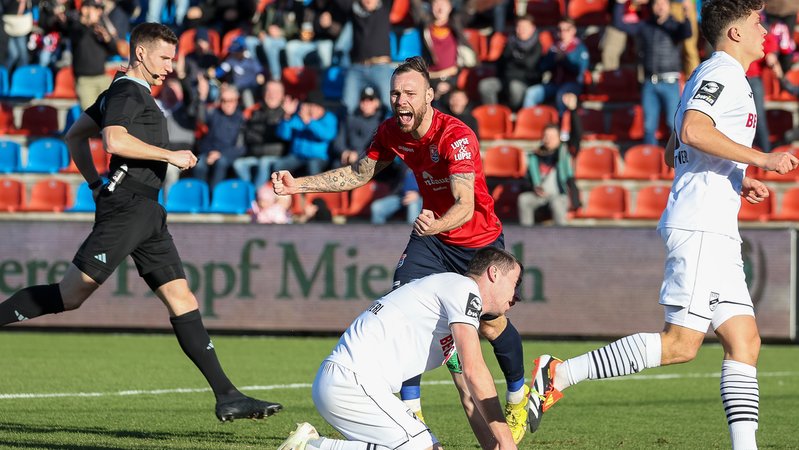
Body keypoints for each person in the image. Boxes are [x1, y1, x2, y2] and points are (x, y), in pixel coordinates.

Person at [528, 3, 799, 449]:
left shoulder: (717, 74)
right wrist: (762, 159)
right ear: (733, 32)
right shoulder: (723, 74)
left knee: (745, 341)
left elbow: (677, 141)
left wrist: (737, 176)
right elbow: (692, 130)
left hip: (717, 226)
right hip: (701, 226)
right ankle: (559, 372)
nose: (765, 30)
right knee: (680, 344)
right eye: (756, 22)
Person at [0, 22, 283, 422]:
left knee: (183, 299)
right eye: (164, 57)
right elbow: (113, 140)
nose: (171, 65)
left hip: (147, 210)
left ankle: (227, 396)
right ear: (140, 54)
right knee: (70, 295)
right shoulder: (126, 91)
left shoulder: (129, 93)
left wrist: (97, 184)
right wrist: (170, 156)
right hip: (130, 206)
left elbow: (75, 137)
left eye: (173, 57)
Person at [273, 56, 529, 444]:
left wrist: (436, 224)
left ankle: (518, 397)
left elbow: (464, 204)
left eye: (409, 92)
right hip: (434, 238)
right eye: (395, 93)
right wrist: (299, 186)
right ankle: (410, 407)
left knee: (489, 325)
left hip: (476, 241)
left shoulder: (455, 136)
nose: (400, 100)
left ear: (430, 95)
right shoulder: (392, 131)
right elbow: (359, 173)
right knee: (401, 304)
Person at [278, 247, 522, 450]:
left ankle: (313, 446)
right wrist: (507, 440)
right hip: (354, 382)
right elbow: (474, 371)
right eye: (515, 283)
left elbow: (469, 395)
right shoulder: (464, 289)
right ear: (493, 273)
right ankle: (311, 447)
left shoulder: (453, 311)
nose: (515, 297)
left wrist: (494, 445)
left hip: (344, 382)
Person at [612, 0, 692, 146]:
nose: (660, 7)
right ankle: (651, 158)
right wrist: (619, 3)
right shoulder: (645, 26)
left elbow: (687, 32)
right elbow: (619, 24)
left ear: (669, 6)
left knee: (673, 124)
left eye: (664, 3)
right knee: (649, 125)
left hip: (671, 82)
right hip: (650, 82)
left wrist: (687, 13)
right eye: (657, 4)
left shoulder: (675, 26)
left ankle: (675, 160)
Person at [517, 93, 581, 226]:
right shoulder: (535, 156)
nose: (548, 139)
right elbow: (525, 182)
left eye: (552, 136)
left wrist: (573, 110)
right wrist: (533, 188)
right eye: (546, 136)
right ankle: (526, 235)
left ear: (559, 138)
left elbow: (577, 136)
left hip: (559, 195)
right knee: (523, 199)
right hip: (540, 196)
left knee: (557, 203)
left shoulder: (564, 151)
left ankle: (562, 238)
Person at [234, 80, 288, 189]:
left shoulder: (286, 114)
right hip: (255, 154)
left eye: (276, 92)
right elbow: (248, 135)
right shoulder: (255, 112)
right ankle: (249, 190)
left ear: (282, 95)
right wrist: (265, 134)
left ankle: (256, 194)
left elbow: (282, 137)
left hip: (276, 156)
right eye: (269, 91)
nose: (271, 95)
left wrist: (263, 133)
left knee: (264, 163)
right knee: (238, 164)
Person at [193, 84, 246, 190]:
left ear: (236, 101)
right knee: (199, 164)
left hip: (228, 154)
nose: (227, 104)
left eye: (230, 100)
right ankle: (200, 196)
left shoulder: (241, 119)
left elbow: (242, 147)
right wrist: (202, 98)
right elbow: (201, 118)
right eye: (223, 100)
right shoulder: (215, 114)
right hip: (210, 152)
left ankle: (215, 197)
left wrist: (220, 154)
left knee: (221, 163)